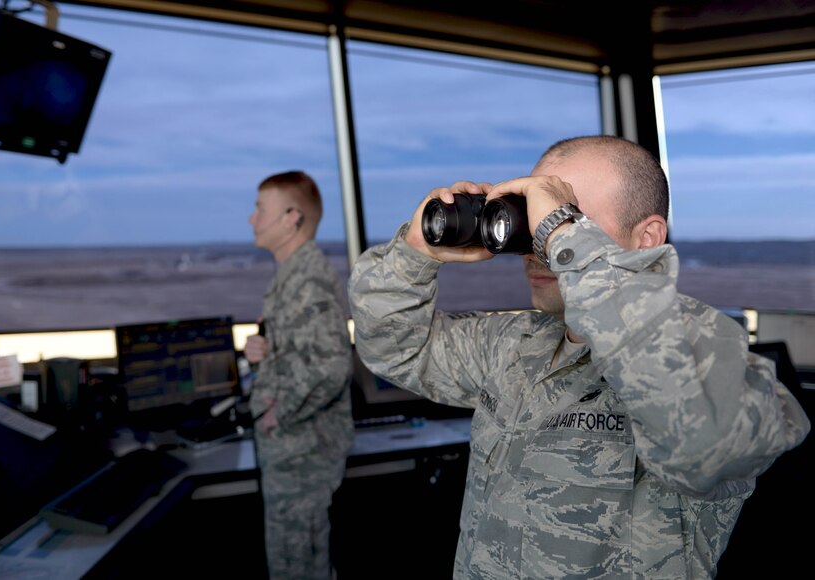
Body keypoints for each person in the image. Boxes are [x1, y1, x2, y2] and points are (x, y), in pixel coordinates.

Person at [347, 135, 810, 579]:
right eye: (534, 220)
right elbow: (394, 347)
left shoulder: (701, 353)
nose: (540, 247)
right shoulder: (514, 344)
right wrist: (415, 252)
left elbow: (704, 440)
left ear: (647, 237)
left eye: (565, 220)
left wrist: (563, 236)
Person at [243, 170, 354, 580]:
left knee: (299, 568)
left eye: (260, 210)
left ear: (292, 218)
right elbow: (305, 351)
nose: (252, 219)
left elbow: (331, 366)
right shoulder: (293, 276)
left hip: (301, 455)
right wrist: (265, 354)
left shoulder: (307, 280)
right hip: (293, 454)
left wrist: (279, 412)